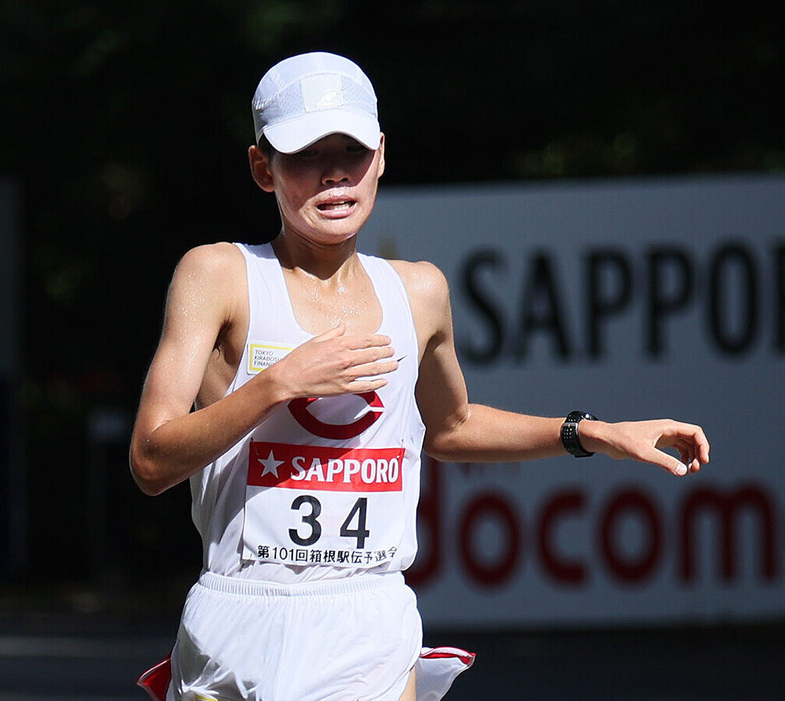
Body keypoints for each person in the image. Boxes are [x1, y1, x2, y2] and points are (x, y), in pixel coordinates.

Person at [130, 51, 710, 701]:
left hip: (370, 615)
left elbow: (452, 425)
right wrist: (279, 382)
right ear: (263, 168)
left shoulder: (420, 290)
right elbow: (151, 461)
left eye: (349, 150)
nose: (333, 175)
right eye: (304, 155)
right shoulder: (220, 276)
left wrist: (592, 432)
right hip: (243, 614)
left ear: (380, 155)